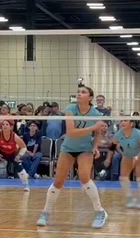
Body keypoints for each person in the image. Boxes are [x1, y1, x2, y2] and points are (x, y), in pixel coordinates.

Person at [36, 84, 108, 229]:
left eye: (83, 92)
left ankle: (100, 212)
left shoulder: (95, 114)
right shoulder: (70, 109)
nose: (79, 93)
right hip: (68, 148)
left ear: (90, 97)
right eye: (78, 92)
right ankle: (46, 212)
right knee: (58, 181)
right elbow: (71, 132)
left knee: (84, 178)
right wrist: (93, 127)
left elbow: (98, 133)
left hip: (85, 149)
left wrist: (95, 146)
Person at [0, 118, 29, 190]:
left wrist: (19, 155)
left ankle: (26, 185)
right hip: (1, 153)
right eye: (3, 124)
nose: (4, 126)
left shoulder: (15, 137)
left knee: (19, 167)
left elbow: (24, 147)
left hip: (12, 153)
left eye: (7, 124)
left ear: (11, 127)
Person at [112, 119, 140, 208]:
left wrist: (136, 157)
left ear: (131, 124)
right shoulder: (119, 134)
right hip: (128, 155)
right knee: (123, 177)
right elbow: (112, 146)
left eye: (125, 121)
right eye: (122, 121)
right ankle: (129, 199)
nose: (122, 122)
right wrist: (108, 159)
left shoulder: (138, 133)